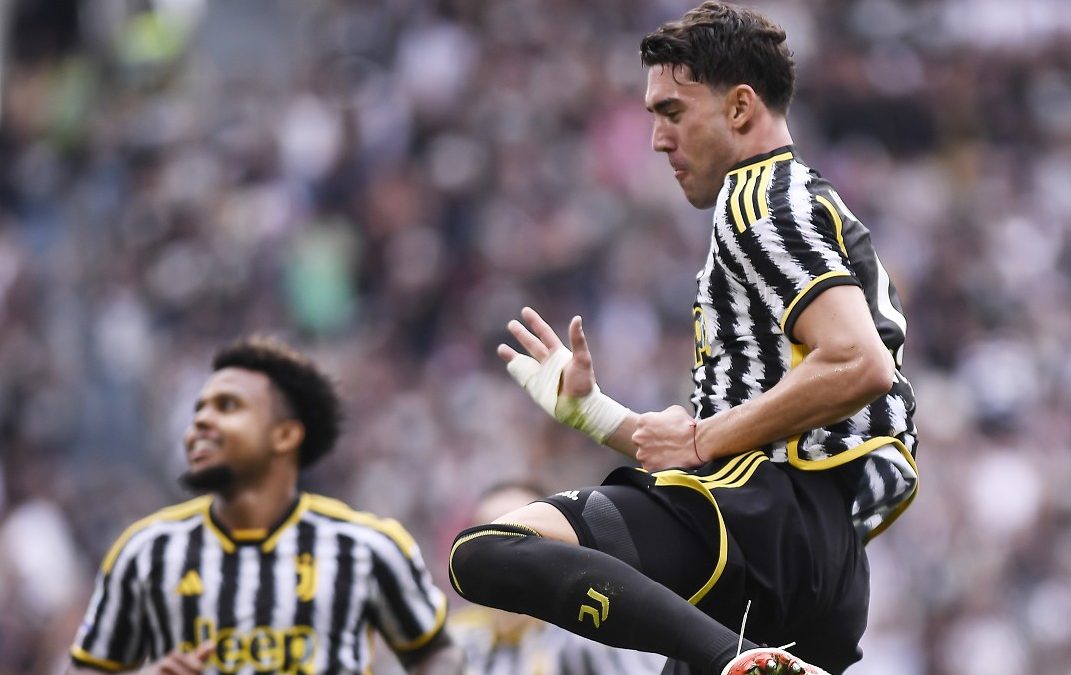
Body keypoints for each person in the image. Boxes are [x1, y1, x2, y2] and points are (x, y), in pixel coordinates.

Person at [448, 2, 918, 674]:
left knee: (485, 551)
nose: (657, 139)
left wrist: (700, 438)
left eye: (672, 112)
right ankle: (751, 663)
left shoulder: (758, 201)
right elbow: (744, 430)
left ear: (740, 107)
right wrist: (597, 414)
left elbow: (858, 363)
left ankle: (738, 662)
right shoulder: (810, 202)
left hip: (761, 521)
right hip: (822, 566)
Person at [67, 336, 463, 675]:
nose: (200, 421)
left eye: (227, 406)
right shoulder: (146, 552)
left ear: (285, 435)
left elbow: (438, 653)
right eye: (199, 408)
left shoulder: (367, 547)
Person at [448, 481, 667, 675]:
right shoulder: (456, 641)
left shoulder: (596, 634)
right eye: (483, 543)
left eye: (516, 537)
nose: (498, 553)